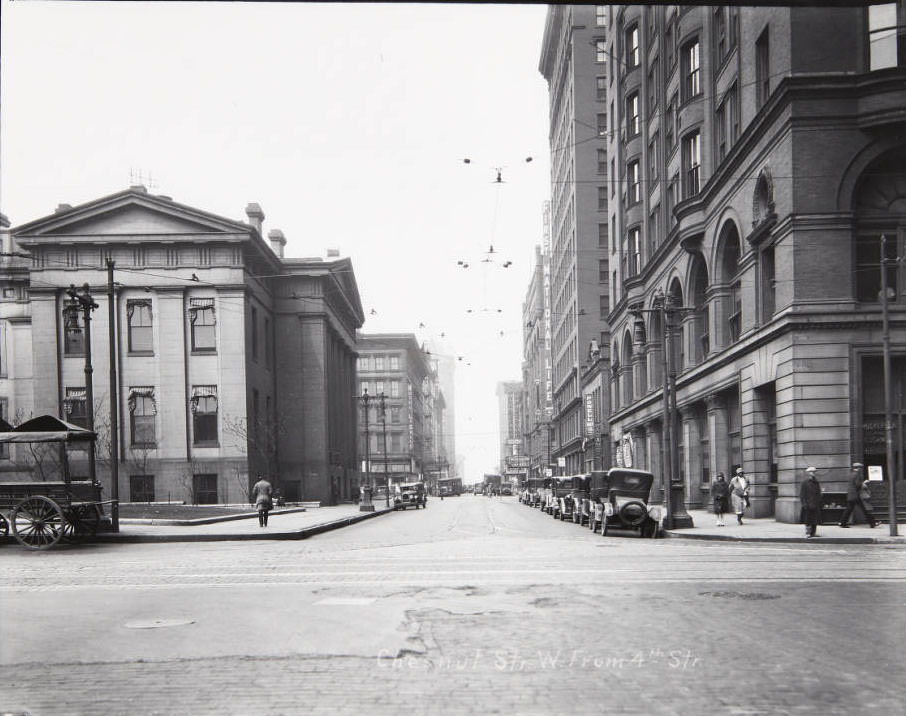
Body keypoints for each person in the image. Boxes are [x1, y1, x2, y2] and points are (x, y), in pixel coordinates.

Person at [839, 462, 877, 528]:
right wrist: (864, 483)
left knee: (849, 509)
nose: (861, 469)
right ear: (859, 468)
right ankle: (872, 523)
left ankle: (842, 523)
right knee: (865, 509)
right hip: (856, 495)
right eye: (860, 468)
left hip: (851, 495)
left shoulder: (851, 474)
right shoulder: (857, 475)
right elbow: (858, 485)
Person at [799, 466, 823, 538]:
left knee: (815, 519)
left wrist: (819, 502)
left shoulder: (816, 482)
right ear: (808, 473)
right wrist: (804, 504)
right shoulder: (805, 483)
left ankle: (813, 533)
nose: (813, 473)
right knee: (807, 520)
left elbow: (819, 493)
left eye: (814, 472)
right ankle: (808, 533)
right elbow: (802, 495)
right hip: (808, 504)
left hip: (815, 504)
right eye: (811, 472)